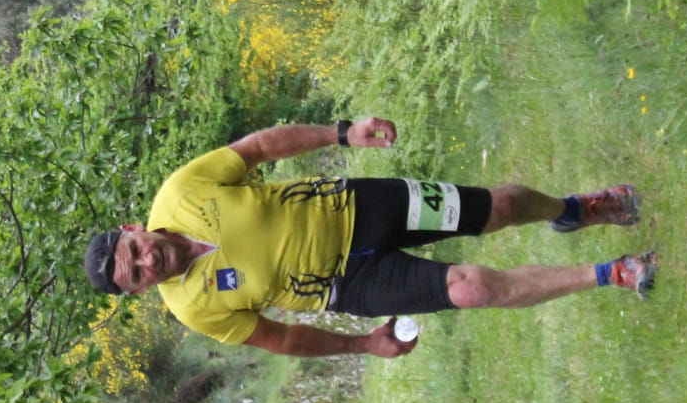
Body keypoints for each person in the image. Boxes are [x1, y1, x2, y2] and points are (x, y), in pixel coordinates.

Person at [81, 117, 655, 358]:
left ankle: (573, 209)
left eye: (134, 250)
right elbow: (281, 340)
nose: (147, 260)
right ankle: (614, 272)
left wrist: (343, 133)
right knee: (471, 288)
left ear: (134, 230)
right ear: (137, 292)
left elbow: (258, 147)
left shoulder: (180, 192)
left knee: (498, 207)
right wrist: (362, 345)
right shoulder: (193, 309)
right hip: (351, 284)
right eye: (137, 275)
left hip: (357, 206)